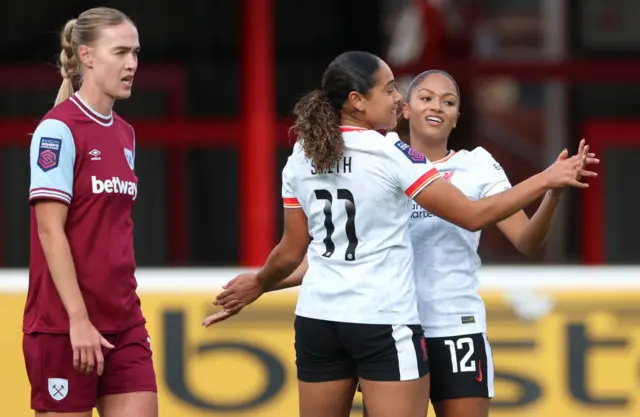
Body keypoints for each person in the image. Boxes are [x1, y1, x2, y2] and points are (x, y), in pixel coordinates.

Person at [202, 52, 593, 417]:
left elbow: (305, 252)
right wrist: (545, 178)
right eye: (404, 92)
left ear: (458, 117)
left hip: (404, 323)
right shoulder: (392, 156)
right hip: (387, 323)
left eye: (449, 101)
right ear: (395, 106)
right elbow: (470, 218)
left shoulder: (306, 152)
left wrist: (260, 282)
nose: (430, 104)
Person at [24, 7, 157, 417]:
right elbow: (50, 231)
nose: (132, 64)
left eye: (135, 53)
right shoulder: (57, 130)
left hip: (125, 323)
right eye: (120, 52)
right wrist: (78, 320)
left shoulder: (125, 133)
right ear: (87, 56)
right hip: (64, 326)